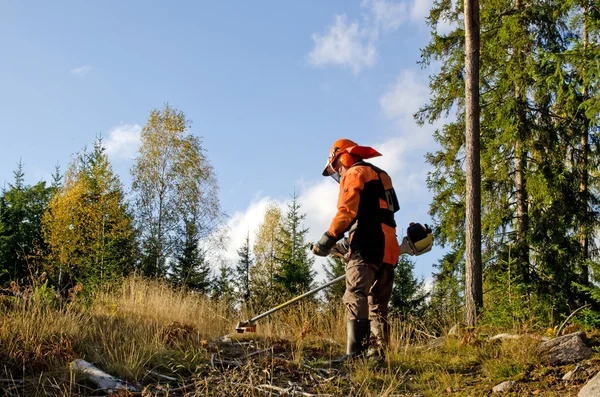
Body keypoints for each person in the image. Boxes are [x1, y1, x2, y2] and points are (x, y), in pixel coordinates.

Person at [312, 138, 402, 362]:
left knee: (354, 295)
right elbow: (382, 211)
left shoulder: (354, 173)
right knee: (377, 305)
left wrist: (328, 238)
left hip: (367, 244)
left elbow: (347, 211)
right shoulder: (382, 175)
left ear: (343, 157)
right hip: (389, 246)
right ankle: (379, 356)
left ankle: (356, 354)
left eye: (337, 167)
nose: (339, 173)